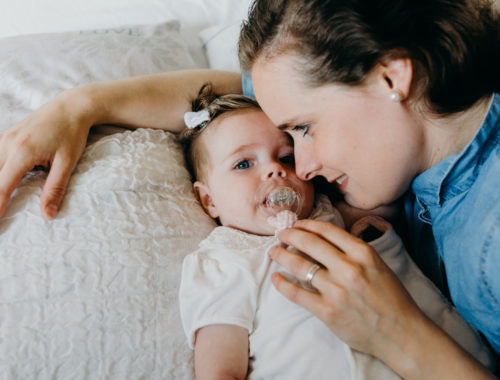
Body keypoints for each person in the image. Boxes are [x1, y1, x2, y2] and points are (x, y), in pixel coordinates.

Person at [0, 0, 498, 378]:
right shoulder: (398, 133)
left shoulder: (491, 239)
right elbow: (217, 106)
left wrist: (396, 333)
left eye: (302, 130)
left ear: (392, 76)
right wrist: (78, 106)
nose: (303, 167)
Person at [176, 84, 492, 379]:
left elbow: (382, 197)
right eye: (244, 164)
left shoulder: (328, 210)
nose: (276, 169)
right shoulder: (223, 261)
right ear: (208, 199)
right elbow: (218, 370)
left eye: (286, 157)